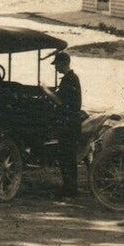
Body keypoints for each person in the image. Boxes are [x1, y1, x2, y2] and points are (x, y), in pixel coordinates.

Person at [52, 50, 84, 197]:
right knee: (67, 156)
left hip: (69, 123)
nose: (55, 67)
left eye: (57, 64)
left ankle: (70, 189)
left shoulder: (70, 80)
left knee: (67, 156)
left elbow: (62, 101)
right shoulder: (71, 78)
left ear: (63, 63)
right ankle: (69, 187)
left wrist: (50, 94)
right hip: (70, 122)